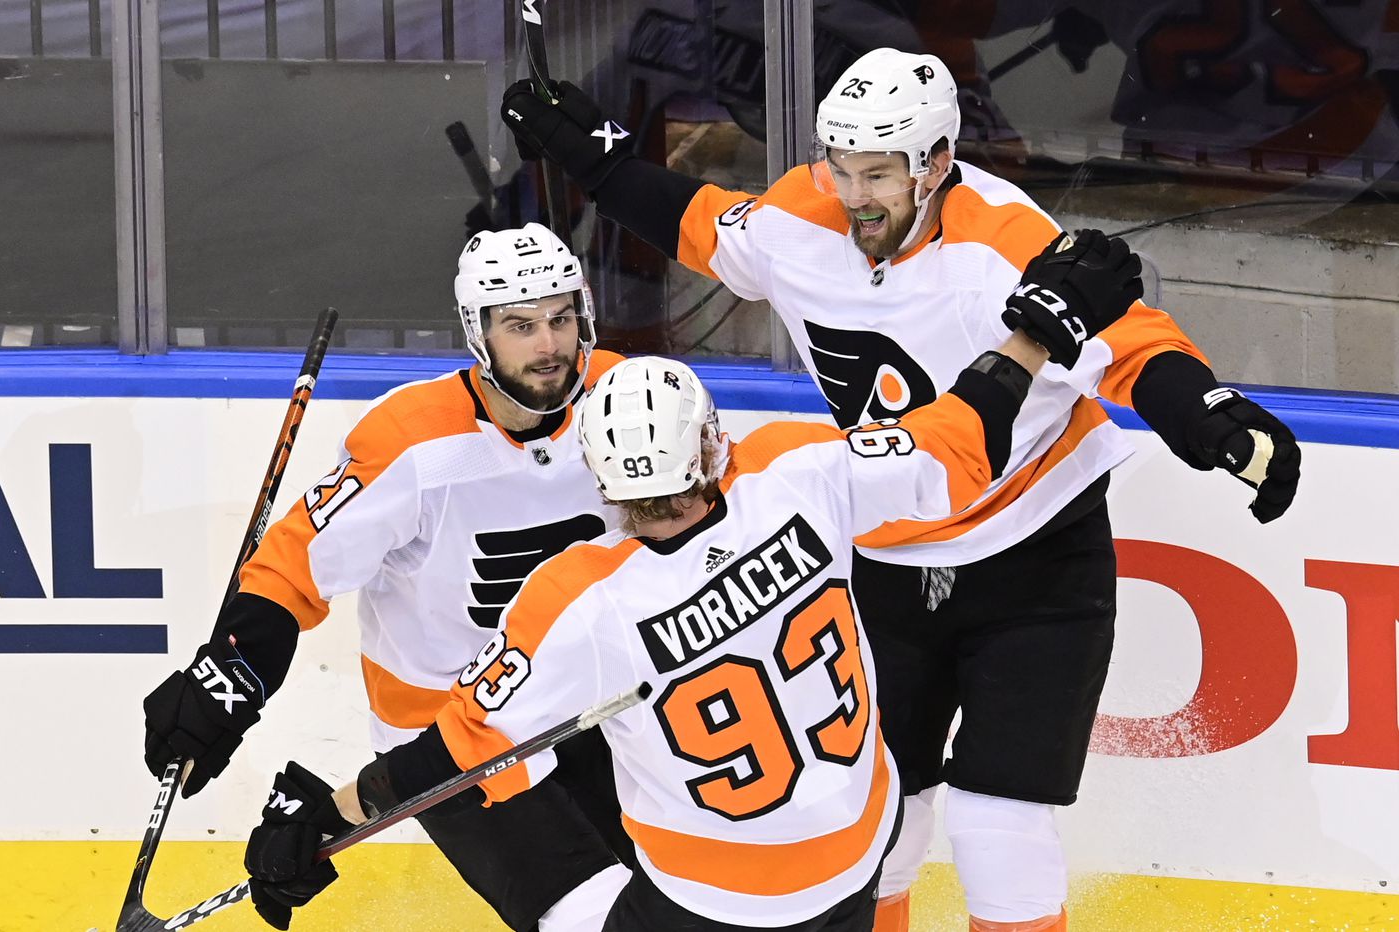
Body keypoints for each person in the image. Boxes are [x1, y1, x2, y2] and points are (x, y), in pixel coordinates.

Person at [498, 47, 1302, 932]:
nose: (850, 195)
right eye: (837, 167)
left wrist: (1215, 418)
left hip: (1033, 550)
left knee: (1001, 823)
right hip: (882, 554)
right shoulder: (801, 216)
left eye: (876, 174)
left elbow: (1135, 342)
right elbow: (697, 224)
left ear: (938, 164)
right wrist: (595, 156)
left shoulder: (1002, 241)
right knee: (888, 823)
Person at [236, 232, 1143, 930]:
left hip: (709, 905)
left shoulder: (585, 601)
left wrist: (324, 818)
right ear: (713, 444)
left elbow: (457, 753)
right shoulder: (796, 474)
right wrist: (1035, 332)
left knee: (566, 904)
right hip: (859, 856)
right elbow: (955, 451)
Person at [141, 223, 636, 931]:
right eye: (521, 325)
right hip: (456, 737)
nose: (549, 346)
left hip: (597, 705)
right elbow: (291, 569)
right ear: (479, 333)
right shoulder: (410, 442)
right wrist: (228, 679)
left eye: (561, 318)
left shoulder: (625, 400)